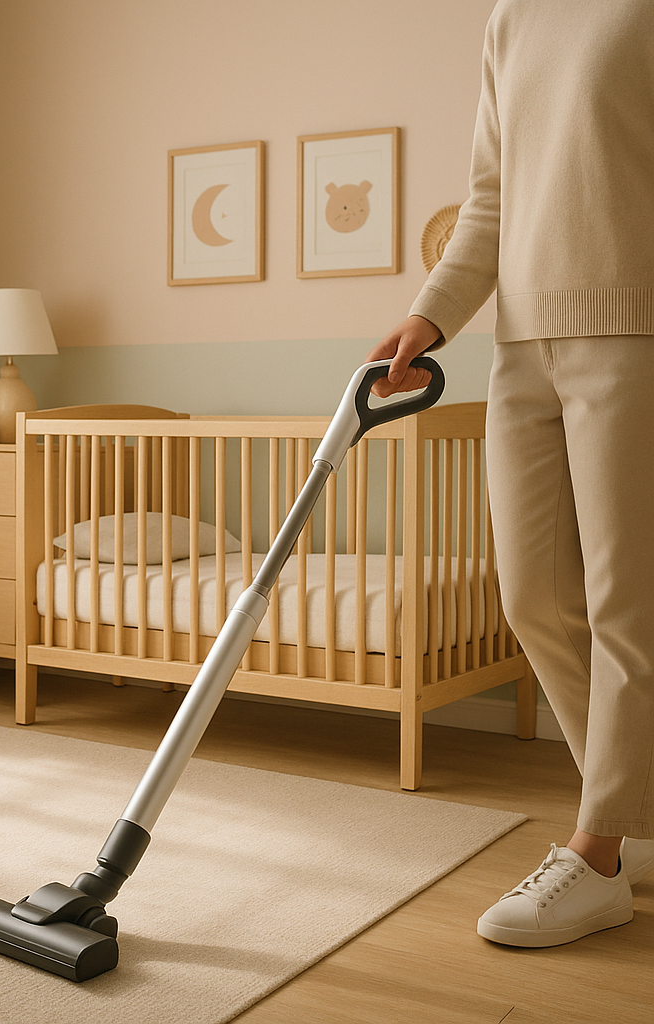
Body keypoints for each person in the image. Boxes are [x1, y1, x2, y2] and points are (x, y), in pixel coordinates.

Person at [367, 0, 654, 947]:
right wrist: (431, 313)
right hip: (520, 345)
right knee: (532, 597)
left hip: (635, 331)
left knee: (628, 606)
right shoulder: (513, 16)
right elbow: (491, 197)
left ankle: (599, 849)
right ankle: (633, 807)